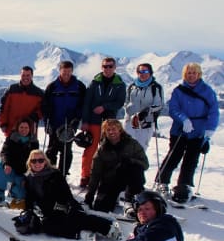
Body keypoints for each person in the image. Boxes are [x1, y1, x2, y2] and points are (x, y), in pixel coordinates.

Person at [18, 150, 122, 240]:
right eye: (34, 161)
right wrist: (29, 211)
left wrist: (70, 206)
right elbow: (29, 197)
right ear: (30, 163)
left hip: (62, 206)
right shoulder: (29, 178)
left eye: (40, 160)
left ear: (45, 162)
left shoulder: (54, 174)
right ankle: (78, 234)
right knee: (47, 227)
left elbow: (66, 193)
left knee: (79, 219)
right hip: (48, 212)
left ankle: (109, 227)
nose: (37, 163)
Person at [154, 63, 219, 203]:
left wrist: (209, 131)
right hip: (180, 130)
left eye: (193, 73)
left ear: (199, 74)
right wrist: (183, 119)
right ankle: (162, 182)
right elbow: (173, 108)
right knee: (173, 156)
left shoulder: (207, 91)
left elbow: (213, 111)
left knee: (191, 159)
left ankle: (184, 185)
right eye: (188, 73)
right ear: (185, 74)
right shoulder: (179, 91)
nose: (191, 75)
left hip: (198, 131)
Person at [84, 119, 148, 215]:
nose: (111, 132)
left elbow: (145, 164)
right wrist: (89, 197)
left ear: (120, 130)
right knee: (100, 209)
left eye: (114, 129)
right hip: (111, 181)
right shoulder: (102, 150)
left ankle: (130, 201)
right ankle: (112, 199)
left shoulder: (132, 144)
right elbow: (95, 174)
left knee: (134, 168)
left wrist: (131, 161)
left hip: (130, 180)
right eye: (108, 130)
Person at [80, 58, 126, 188]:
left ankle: (106, 177)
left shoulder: (120, 84)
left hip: (110, 122)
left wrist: (105, 107)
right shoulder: (95, 83)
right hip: (94, 121)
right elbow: (87, 102)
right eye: (105, 66)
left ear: (115, 67)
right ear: (102, 67)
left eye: (110, 66)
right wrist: (85, 121)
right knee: (90, 148)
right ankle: (86, 175)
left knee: (108, 150)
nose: (107, 69)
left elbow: (120, 102)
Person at [42, 61, 86, 175]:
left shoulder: (79, 86)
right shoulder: (52, 87)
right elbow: (45, 106)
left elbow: (83, 104)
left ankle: (63, 174)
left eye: (68, 71)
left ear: (72, 71)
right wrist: (47, 122)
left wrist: (77, 119)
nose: (66, 74)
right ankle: (50, 173)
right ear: (60, 71)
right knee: (52, 150)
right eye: (64, 71)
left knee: (66, 151)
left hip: (70, 124)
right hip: (54, 123)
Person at [0, 118, 39, 209]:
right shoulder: (11, 138)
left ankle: (13, 191)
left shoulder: (34, 142)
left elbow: (35, 161)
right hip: (11, 169)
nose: (24, 130)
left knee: (21, 196)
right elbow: (4, 152)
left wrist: (27, 177)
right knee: (1, 165)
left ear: (30, 129)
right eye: (21, 127)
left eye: (26, 127)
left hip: (24, 172)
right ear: (17, 128)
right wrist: (6, 163)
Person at [123, 63, 164, 151]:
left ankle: (138, 165)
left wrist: (147, 111)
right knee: (126, 149)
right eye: (140, 71)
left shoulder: (155, 87)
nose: (143, 74)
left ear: (150, 72)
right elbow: (126, 102)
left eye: (145, 71)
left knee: (140, 150)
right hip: (130, 122)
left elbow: (159, 104)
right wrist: (129, 112)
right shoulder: (132, 86)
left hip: (146, 122)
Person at [0, 66, 44, 137]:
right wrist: (3, 123)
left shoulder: (38, 93)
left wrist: (34, 116)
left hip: (30, 130)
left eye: (28, 75)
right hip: (12, 128)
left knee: (31, 148)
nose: (25, 78)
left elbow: (43, 109)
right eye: (23, 75)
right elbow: (4, 108)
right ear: (20, 75)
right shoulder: (12, 89)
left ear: (32, 76)